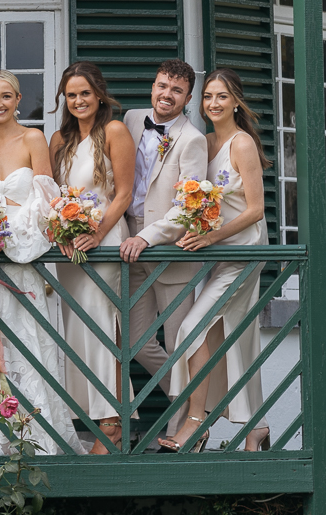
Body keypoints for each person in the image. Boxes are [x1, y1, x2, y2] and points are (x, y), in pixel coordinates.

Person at [0, 69, 85, 456]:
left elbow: (45, 199)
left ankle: (32, 437)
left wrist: (1, 233)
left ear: (19, 99)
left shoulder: (33, 138)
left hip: (21, 261)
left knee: (24, 345)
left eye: (6, 96)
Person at [159, 68, 271, 453]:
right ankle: (256, 427)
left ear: (236, 101)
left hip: (243, 251)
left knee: (192, 328)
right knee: (232, 336)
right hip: (219, 254)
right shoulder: (205, 142)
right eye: (207, 97)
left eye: (221, 96)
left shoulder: (242, 145)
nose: (213, 103)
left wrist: (209, 237)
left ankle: (196, 421)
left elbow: (256, 210)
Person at [118, 59, 208, 440]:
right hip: (127, 242)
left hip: (166, 250)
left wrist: (148, 236)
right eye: (161, 86)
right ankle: (199, 395)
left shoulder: (193, 139)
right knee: (136, 342)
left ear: (188, 98)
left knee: (177, 342)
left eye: (175, 90)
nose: (165, 95)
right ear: (152, 87)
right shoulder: (131, 119)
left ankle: (182, 433)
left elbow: (189, 207)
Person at [49, 62, 135, 455]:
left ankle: (113, 424)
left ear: (99, 95)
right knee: (77, 333)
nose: (78, 100)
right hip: (69, 251)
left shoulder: (113, 132)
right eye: (71, 94)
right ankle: (92, 420)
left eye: (84, 93)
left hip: (103, 244)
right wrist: (60, 233)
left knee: (103, 329)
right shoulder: (58, 141)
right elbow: (51, 198)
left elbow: (124, 194)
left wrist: (96, 234)